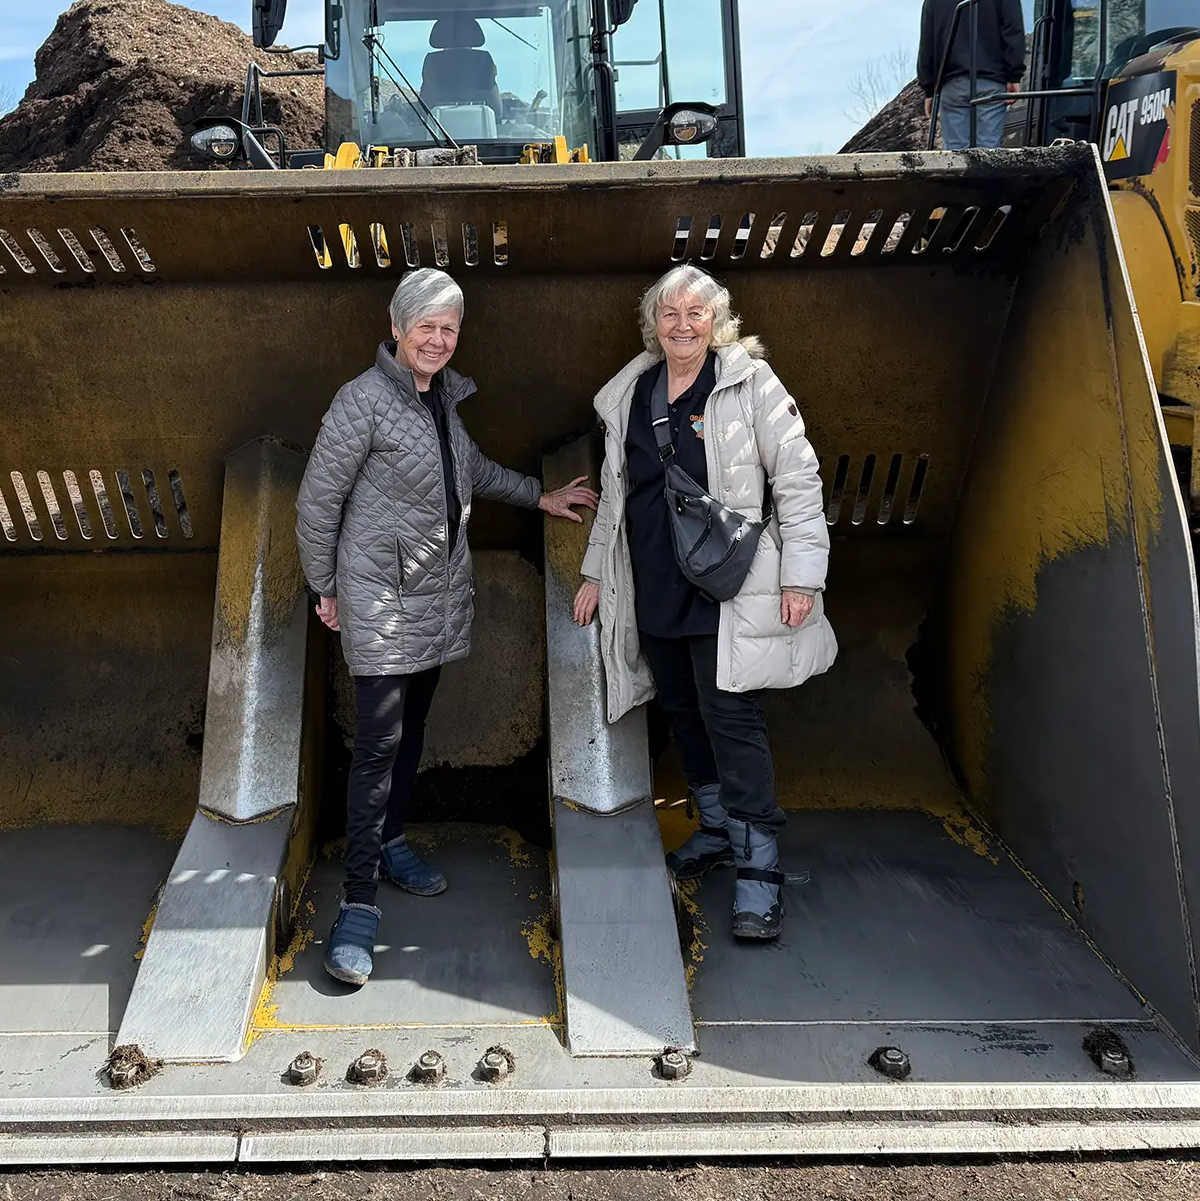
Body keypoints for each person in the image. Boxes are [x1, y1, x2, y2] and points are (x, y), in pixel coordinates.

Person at [296, 268, 598, 987]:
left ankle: (393, 840)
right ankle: (359, 906)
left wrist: (541, 497)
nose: (437, 339)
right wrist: (325, 587)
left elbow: (472, 474)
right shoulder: (361, 402)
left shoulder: (441, 404)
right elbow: (316, 504)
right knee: (378, 746)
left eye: (449, 329)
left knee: (411, 733)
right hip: (376, 598)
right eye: (425, 326)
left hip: (431, 597)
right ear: (397, 328)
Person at [571, 265, 835, 941]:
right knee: (683, 710)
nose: (682, 325)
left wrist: (802, 577)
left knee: (732, 719)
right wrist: (597, 572)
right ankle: (716, 829)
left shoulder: (750, 383)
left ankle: (759, 866)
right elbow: (618, 493)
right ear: (652, 324)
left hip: (730, 583)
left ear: (716, 320)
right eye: (669, 313)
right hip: (654, 578)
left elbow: (798, 480)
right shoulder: (633, 392)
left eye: (695, 313)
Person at [916, 0, 1026, 151]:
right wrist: (1014, 75)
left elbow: (927, 45)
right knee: (987, 152)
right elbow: (1012, 30)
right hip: (990, 83)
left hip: (951, 87)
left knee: (955, 156)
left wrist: (929, 90)